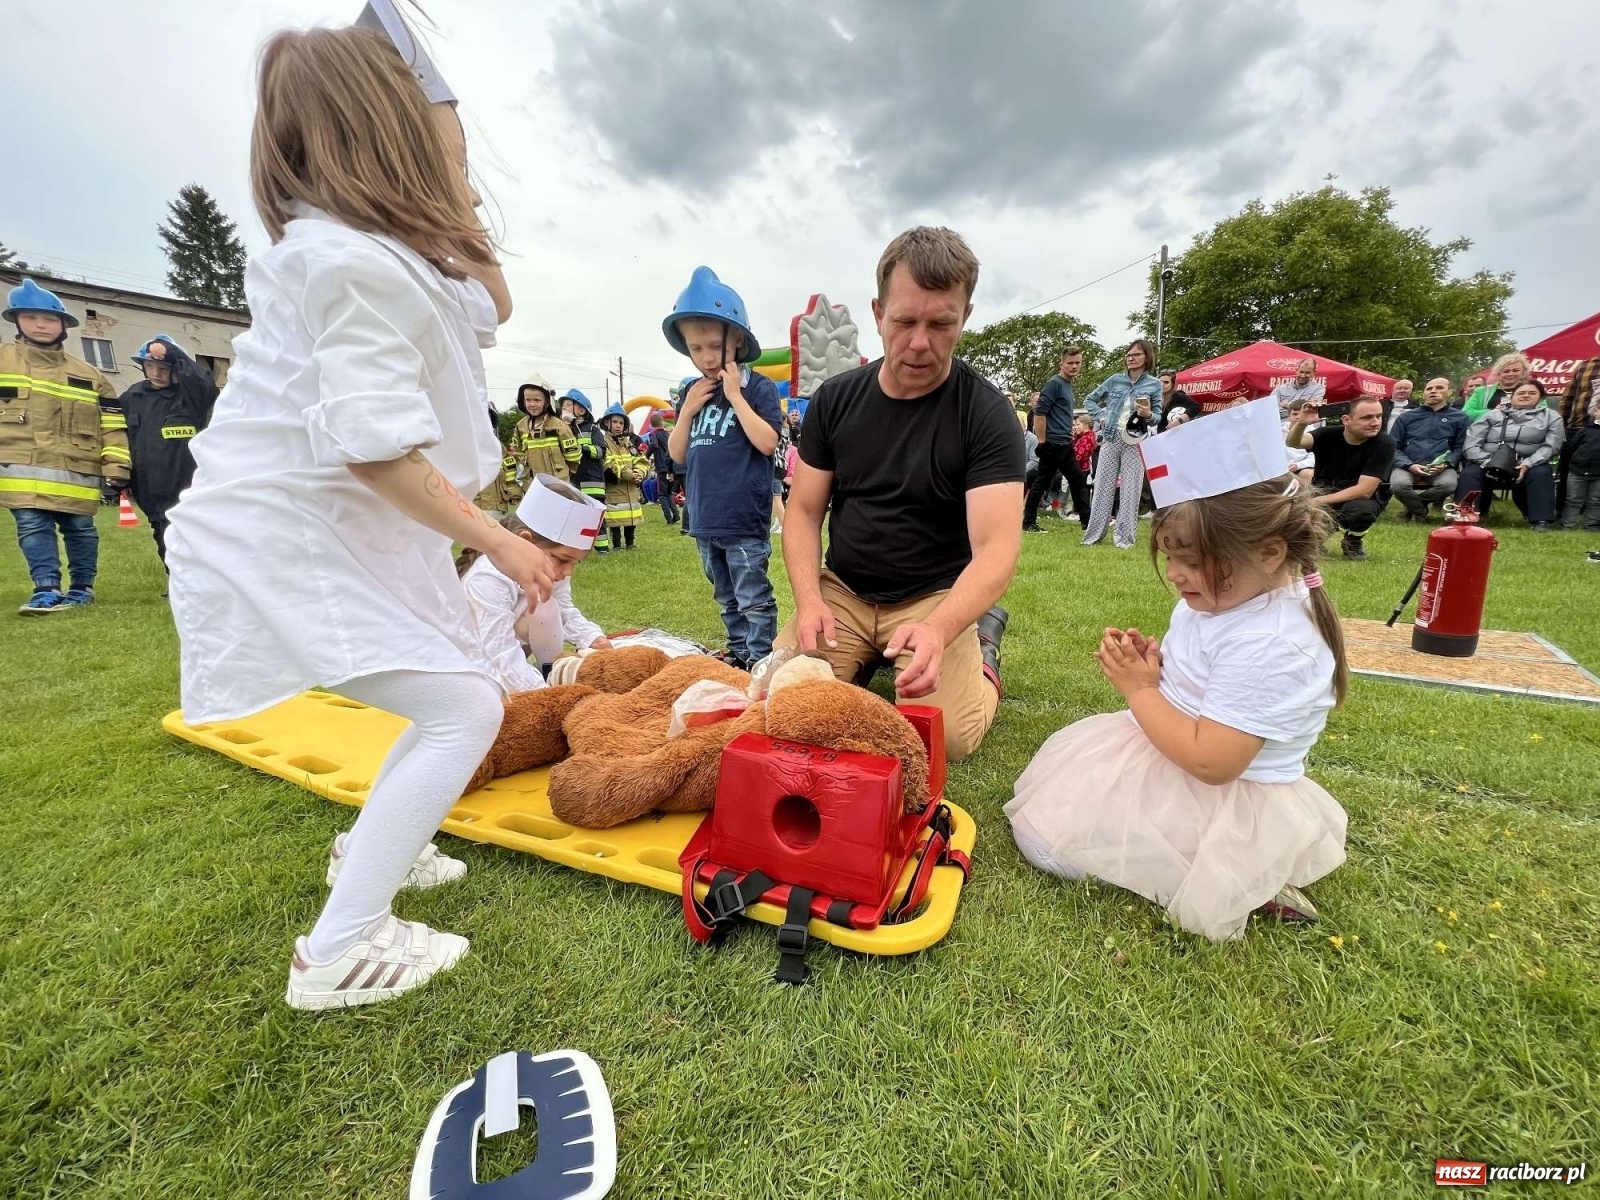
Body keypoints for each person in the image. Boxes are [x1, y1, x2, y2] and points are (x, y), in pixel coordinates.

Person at [165, 22, 556, 1010]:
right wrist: (502, 542)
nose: (466, 181)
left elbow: (495, 305)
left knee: (453, 692)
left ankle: (375, 847)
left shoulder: (387, 255)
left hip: (346, 530)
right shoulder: (351, 265)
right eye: (446, 153)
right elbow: (376, 449)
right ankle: (338, 951)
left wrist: (454, 195)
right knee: (465, 706)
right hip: (295, 539)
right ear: (389, 138)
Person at [1007, 399, 1347, 939]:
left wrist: (1139, 689)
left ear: (1268, 553)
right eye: (1171, 557)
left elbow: (1211, 762)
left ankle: (1240, 874)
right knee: (1041, 831)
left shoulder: (1275, 644)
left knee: (1052, 847)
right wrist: (1157, 667)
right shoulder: (1221, 602)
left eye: (1192, 561)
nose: (1175, 575)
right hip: (1164, 751)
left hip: (1214, 789)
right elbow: (1199, 672)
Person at [778, 226, 1024, 762]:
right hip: (844, 591)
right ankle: (864, 657)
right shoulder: (835, 401)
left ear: (965, 317)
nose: (919, 343)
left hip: (934, 597)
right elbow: (803, 511)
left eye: (941, 324)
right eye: (905, 321)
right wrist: (809, 600)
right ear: (877, 313)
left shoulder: (986, 413)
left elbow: (998, 548)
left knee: (944, 742)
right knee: (787, 705)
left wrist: (940, 627)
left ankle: (983, 652)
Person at [663, 266, 783, 669]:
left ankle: (760, 660)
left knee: (752, 596)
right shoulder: (691, 391)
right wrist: (686, 411)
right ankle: (739, 653)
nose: (707, 357)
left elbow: (767, 442)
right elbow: (678, 454)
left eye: (715, 345)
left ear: (738, 339)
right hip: (705, 517)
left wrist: (735, 396)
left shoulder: (758, 388)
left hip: (743, 519)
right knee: (725, 596)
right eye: (696, 348)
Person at [1, 278, 131, 614]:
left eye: (49, 319)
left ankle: (81, 587)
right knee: (32, 525)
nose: (40, 325)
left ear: (63, 325)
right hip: (21, 468)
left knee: (80, 529)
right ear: (17, 321)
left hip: (78, 469)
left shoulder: (90, 376)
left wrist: (117, 465)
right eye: (31, 317)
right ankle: (45, 589)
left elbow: (113, 425)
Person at [458, 475, 611, 692]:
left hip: (507, 662)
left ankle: (549, 674)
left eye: (575, 562)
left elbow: (564, 611)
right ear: (525, 541)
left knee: (547, 605)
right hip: (471, 671)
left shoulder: (549, 572)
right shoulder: (487, 578)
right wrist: (546, 696)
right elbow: (499, 652)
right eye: (562, 559)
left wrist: (593, 638)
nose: (568, 572)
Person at [118, 335, 219, 568]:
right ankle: (175, 579)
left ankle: (198, 578)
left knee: (193, 536)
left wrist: (172, 352)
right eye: (150, 366)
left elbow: (204, 383)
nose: (156, 373)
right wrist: (121, 477)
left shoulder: (190, 398)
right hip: (148, 486)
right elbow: (119, 437)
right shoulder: (131, 398)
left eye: (163, 367)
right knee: (163, 535)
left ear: (176, 369)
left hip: (185, 483)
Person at [1287, 395, 1395, 559]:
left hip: (1361, 498)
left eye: (1378, 416)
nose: (1375, 422)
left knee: (1360, 512)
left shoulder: (1384, 443)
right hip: (1325, 490)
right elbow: (1293, 442)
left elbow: (1364, 491)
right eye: (1367, 417)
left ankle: (1353, 539)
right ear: (1346, 420)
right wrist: (1301, 423)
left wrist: (1314, 502)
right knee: (1300, 544)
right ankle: (1316, 539)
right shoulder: (1328, 434)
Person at [1081, 340, 1162, 549]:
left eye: (1136, 354)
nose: (1131, 358)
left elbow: (1158, 417)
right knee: (1102, 487)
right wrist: (1101, 417)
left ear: (1146, 357)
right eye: (1128, 355)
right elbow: (1090, 400)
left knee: (1131, 489)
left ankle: (1125, 539)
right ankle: (1093, 536)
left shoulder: (1154, 384)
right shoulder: (1115, 380)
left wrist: (1148, 414)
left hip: (1135, 438)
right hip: (1111, 436)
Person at [1456, 380, 1565, 530]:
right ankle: (1465, 517)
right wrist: (1488, 463)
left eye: (1532, 393)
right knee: (1470, 473)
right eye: (1521, 393)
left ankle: (1541, 521)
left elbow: (1552, 446)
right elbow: (1471, 443)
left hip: (1529, 462)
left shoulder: (1552, 417)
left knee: (1541, 472)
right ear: (1511, 397)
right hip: (1489, 460)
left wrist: (1528, 463)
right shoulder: (1492, 415)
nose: (1526, 395)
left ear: (1540, 398)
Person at [1023, 346, 1092, 532]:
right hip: (1052, 444)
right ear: (1061, 364)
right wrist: (1042, 442)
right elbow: (1040, 413)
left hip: (1065, 443)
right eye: (1070, 363)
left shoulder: (1067, 385)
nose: (1074, 366)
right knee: (1042, 483)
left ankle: (1087, 522)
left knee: (1078, 480)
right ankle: (1028, 521)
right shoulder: (1054, 384)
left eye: (1077, 363)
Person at [1388, 377, 1469, 522]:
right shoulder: (1406, 416)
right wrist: (1409, 465)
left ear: (1449, 392)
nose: (1433, 391)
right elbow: (1393, 446)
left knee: (1448, 485)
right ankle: (1420, 510)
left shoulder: (1460, 417)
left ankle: (1411, 507)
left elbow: (1460, 447)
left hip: (1441, 467)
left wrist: (1446, 464)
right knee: (1398, 485)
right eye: (1429, 388)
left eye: (1439, 388)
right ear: (1424, 393)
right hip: (1408, 464)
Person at [511, 376, 579, 490]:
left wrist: (564, 476)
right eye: (528, 400)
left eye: (537, 400)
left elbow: (573, 458)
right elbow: (517, 456)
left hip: (558, 487)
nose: (532, 404)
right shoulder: (520, 427)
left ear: (547, 401)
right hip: (532, 488)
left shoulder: (559, 426)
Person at [562, 388, 609, 551]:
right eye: (563, 406)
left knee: (596, 517)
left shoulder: (592, 430)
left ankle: (602, 549)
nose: (564, 408)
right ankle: (578, 549)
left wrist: (581, 447)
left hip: (592, 481)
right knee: (575, 517)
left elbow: (600, 451)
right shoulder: (562, 429)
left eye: (568, 405)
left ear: (581, 410)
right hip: (573, 481)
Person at [598, 403, 647, 551]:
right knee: (615, 518)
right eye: (615, 422)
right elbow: (609, 463)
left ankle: (630, 543)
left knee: (630, 518)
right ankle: (617, 544)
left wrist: (639, 473)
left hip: (630, 489)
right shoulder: (603, 442)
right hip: (614, 488)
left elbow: (641, 460)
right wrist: (629, 475)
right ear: (607, 423)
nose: (618, 425)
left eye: (621, 422)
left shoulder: (628, 443)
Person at [1557, 356, 1600, 513]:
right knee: (1567, 472)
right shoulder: (1586, 365)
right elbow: (1568, 397)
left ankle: (1594, 516)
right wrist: (1561, 424)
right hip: (1578, 427)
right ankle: (1562, 512)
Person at [1559, 386, 1600, 531]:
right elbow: (1572, 446)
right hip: (1577, 471)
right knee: (1573, 499)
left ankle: (1592, 525)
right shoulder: (1585, 430)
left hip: (1599, 473)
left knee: (1595, 500)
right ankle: (1567, 524)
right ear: (1596, 410)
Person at [1462, 353, 1531, 420]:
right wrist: (1494, 412)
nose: (1511, 374)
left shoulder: (1532, 391)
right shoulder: (1482, 391)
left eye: (1516, 370)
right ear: (1498, 373)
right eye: (1506, 371)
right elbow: (1465, 413)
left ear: (1523, 372)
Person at [646, 408, 679, 525]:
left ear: (652, 424)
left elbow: (653, 445)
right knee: (669, 492)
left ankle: (668, 518)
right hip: (671, 466)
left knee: (662, 494)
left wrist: (645, 456)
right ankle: (676, 514)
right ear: (662, 422)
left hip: (661, 467)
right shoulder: (667, 434)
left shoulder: (653, 434)